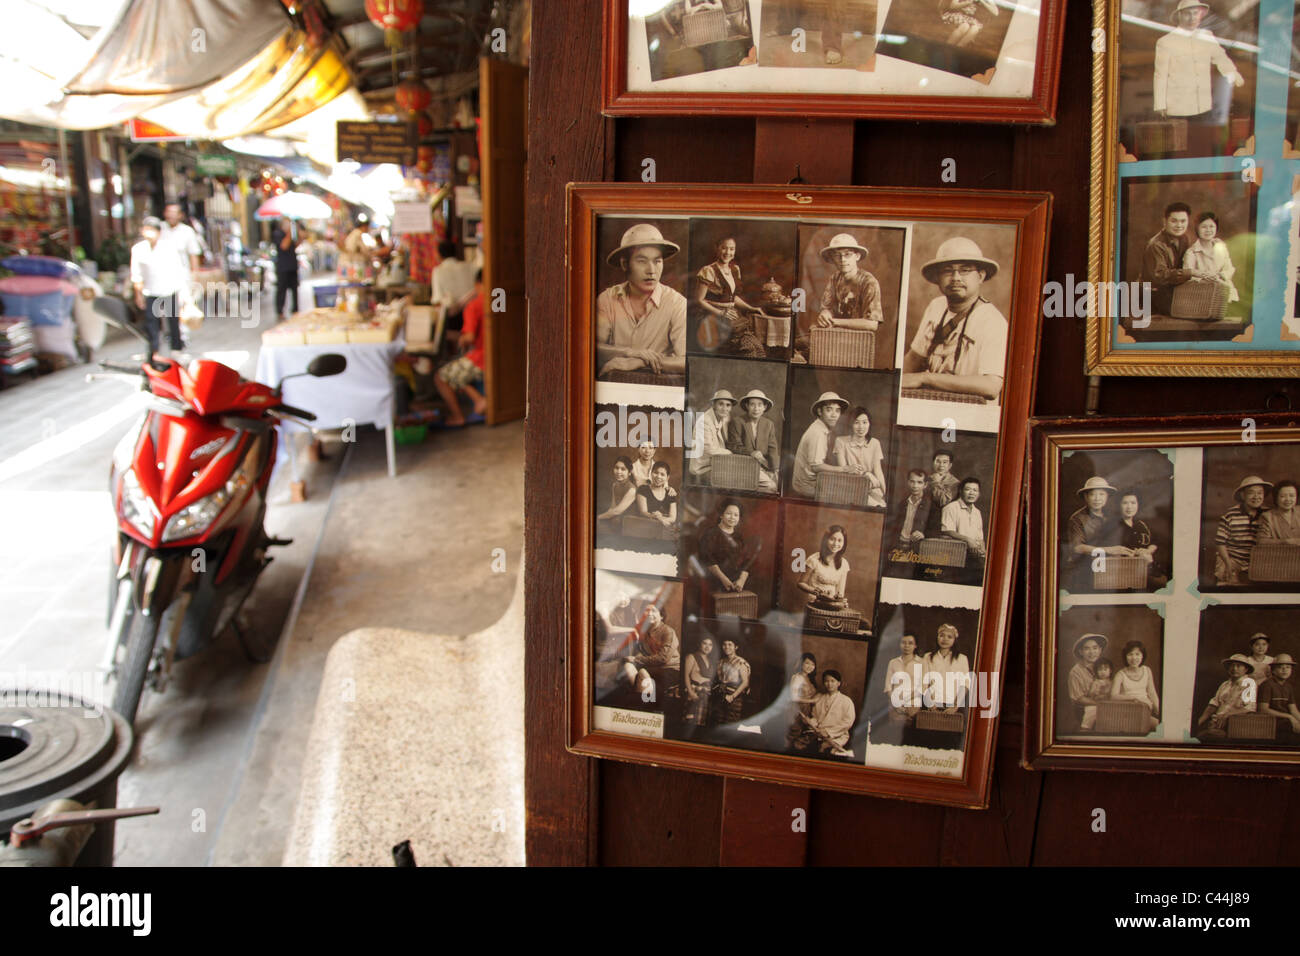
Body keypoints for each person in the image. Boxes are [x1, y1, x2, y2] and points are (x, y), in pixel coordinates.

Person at [901, 237, 1007, 403]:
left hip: (971, 414)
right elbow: (915, 357)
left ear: (980, 276)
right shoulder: (936, 306)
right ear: (937, 278)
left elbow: (991, 386)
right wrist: (893, 383)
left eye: (965, 270)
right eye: (948, 271)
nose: (956, 277)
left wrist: (925, 378)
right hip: (928, 401)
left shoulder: (992, 321)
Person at [595, 223, 687, 378]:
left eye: (657, 261)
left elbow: (688, 362)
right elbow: (592, 349)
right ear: (625, 264)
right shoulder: (607, 299)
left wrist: (641, 361)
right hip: (615, 386)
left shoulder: (677, 303)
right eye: (642, 261)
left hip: (659, 388)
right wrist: (630, 353)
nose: (651, 270)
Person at [793, 233, 882, 364]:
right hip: (834, 338)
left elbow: (872, 324)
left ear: (857, 256)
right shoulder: (835, 279)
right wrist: (825, 314)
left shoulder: (869, 282)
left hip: (856, 342)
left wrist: (834, 322)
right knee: (795, 345)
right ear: (832, 258)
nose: (842, 259)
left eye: (847, 254)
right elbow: (827, 308)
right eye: (837, 255)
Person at [1153, 0, 1245, 120]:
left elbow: (1219, 57)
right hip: (1178, 107)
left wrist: (1232, 74)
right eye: (1187, 14)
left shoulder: (1206, 36)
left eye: (1195, 13)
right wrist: (1160, 104)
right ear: (1180, 15)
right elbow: (1161, 75)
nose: (1192, 18)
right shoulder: (1166, 42)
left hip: (1204, 106)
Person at [694, 236, 763, 357]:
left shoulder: (735, 270)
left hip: (731, 314)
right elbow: (699, 300)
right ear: (717, 249)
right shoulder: (708, 271)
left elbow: (733, 298)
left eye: (732, 249)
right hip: (712, 315)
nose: (728, 252)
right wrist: (721, 313)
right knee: (748, 350)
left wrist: (751, 308)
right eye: (724, 248)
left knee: (758, 348)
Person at [434, 268, 487, 426]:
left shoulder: (474, 305)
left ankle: (458, 416)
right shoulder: (504, 301)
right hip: (503, 355)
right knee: (457, 371)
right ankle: (479, 400)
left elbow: (469, 338)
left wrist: (460, 339)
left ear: (477, 284)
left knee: (441, 377)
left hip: (482, 358)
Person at [129, 216, 186, 356]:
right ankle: (153, 350)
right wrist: (138, 294)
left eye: (152, 230)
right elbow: (136, 274)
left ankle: (176, 348)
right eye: (146, 229)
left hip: (169, 289)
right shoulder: (138, 249)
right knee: (151, 323)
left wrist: (183, 294)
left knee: (173, 321)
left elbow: (178, 270)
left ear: (158, 232)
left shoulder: (168, 247)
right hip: (151, 291)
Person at [697, 499, 763, 597]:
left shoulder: (739, 537)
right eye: (729, 513)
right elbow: (708, 560)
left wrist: (741, 580)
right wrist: (724, 580)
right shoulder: (710, 534)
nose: (732, 518)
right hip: (714, 584)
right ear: (721, 515)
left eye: (736, 515)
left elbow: (747, 561)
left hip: (737, 585)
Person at [791, 391, 850, 498]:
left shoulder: (821, 428)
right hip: (806, 486)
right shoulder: (817, 433)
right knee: (847, 495)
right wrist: (844, 469)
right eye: (829, 410)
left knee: (848, 487)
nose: (834, 415)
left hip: (814, 481)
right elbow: (816, 467)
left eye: (837, 410)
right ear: (819, 411)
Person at [1215, 475, 1272, 585]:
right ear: (1243, 495)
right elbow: (1220, 542)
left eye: (1260, 493)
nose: (1256, 496)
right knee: (1229, 588)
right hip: (1231, 559)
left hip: (1259, 561)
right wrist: (1228, 563)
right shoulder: (1230, 515)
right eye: (1251, 493)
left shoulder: (1268, 514)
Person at [1141, 202, 1193, 317]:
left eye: (1183, 221)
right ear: (1165, 221)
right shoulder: (1156, 244)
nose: (1179, 225)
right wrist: (1190, 273)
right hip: (1152, 300)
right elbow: (1160, 276)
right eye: (1174, 221)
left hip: (1174, 297)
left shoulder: (1184, 239)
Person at [619, 603, 680, 699]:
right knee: (628, 667)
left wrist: (636, 659)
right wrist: (631, 660)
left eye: (654, 611)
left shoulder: (668, 632)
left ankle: (642, 700)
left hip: (671, 669)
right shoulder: (646, 632)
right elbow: (642, 652)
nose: (649, 614)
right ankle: (640, 697)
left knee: (642, 675)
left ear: (661, 616)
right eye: (646, 611)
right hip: (653, 667)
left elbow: (663, 658)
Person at [726, 389, 779, 492]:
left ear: (765, 407)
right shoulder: (737, 422)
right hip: (744, 466)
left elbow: (773, 449)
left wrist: (775, 468)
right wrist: (752, 453)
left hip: (764, 465)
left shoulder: (768, 424)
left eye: (760, 405)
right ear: (747, 406)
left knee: (779, 484)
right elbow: (733, 446)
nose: (756, 409)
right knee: (771, 487)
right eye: (752, 405)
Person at [791, 670, 855, 755]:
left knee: (823, 749)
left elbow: (848, 722)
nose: (829, 684)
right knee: (797, 745)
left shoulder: (846, 701)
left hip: (837, 735)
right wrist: (810, 721)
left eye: (832, 681)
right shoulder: (819, 698)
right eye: (826, 681)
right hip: (817, 733)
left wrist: (828, 732)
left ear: (838, 683)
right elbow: (816, 718)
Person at [832, 405, 886, 507]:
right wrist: (866, 474)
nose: (861, 427)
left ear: (869, 424)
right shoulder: (840, 441)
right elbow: (844, 470)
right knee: (874, 506)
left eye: (865, 422)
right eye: (856, 422)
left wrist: (883, 492)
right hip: (849, 489)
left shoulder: (875, 443)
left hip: (870, 488)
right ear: (850, 424)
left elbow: (878, 472)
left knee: (882, 506)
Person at [1182, 211, 1239, 304]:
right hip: (1201, 295)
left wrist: (1220, 276)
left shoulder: (1221, 246)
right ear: (1197, 229)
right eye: (1204, 227)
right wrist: (1205, 278)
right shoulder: (1191, 252)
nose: (1208, 230)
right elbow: (1188, 275)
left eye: (1211, 226)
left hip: (1223, 291)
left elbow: (1229, 268)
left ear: (1216, 228)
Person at [1197, 653, 1257, 737]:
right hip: (1216, 722)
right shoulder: (1225, 684)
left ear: (1246, 669)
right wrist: (1199, 722)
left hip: (1236, 724)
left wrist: (1227, 715)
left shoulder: (1249, 684)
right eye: (1231, 666)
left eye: (1238, 666)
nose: (1234, 669)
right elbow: (1213, 705)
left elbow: (1248, 708)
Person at [889, 469, 938, 566]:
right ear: (908, 482)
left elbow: (937, 529)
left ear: (925, 485)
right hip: (899, 547)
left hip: (917, 550)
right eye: (912, 481)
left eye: (919, 482)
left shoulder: (932, 506)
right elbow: (893, 529)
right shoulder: (902, 504)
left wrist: (924, 534)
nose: (915, 486)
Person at [1110, 640, 1161, 732]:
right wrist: (1136, 698)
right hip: (1128, 713)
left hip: (1145, 711)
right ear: (1125, 657)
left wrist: (1159, 709)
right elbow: (1113, 696)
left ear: (1142, 656)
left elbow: (1152, 692)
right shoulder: (1120, 674)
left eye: (1137, 654)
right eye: (1130, 654)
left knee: (1161, 727)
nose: (1134, 658)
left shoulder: (1147, 670)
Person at [798, 524, 850, 608]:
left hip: (832, 604)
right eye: (832, 539)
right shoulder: (814, 559)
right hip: (815, 603)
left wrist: (841, 601)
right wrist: (817, 592)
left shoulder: (844, 564)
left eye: (840, 540)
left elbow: (840, 593)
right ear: (826, 540)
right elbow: (801, 583)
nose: (836, 543)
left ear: (844, 543)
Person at [921, 623, 970, 713]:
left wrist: (955, 706)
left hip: (953, 707)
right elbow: (923, 683)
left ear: (954, 640)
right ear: (937, 637)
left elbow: (965, 684)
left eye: (949, 637)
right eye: (942, 635)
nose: (945, 639)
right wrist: (930, 704)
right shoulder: (928, 657)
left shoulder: (962, 658)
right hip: (932, 705)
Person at [431, 239, 478, 332]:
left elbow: (437, 299)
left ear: (439, 254)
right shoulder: (470, 266)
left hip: (452, 320)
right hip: (474, 314)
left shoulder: (438, 271)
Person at [940, 477, 987, 569]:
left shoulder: (977, 512)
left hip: (974, 556)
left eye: (975, 490)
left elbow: (980, 538)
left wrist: (983, 552)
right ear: (961, 491)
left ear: (979, 494)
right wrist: (968, 540)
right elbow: (947, 531)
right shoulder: (950, 508)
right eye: (968, 489)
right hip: (955, 555)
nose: (971, 493)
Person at [689, 389, 735, 481]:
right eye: (721, 404)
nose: (724, 408)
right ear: (714, 405)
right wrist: (729, 453)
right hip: (702, 469)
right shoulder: (705, 421)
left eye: (728, 405)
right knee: (732, 480)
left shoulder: (720, 419)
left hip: (714, 465)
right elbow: (710, 449)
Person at [1068, 634, 1108, 731]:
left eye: (1095, 648)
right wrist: (1100, 704)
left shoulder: (1103, 667)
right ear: (1081, 652)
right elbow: (1078, 698)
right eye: (1087, 649)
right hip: (1083, 711)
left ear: (1100, 650)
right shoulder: (1075, 672)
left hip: (1105, 707)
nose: (1092, 652)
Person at [1256, 652, 1300, 735]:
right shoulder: (1267, 685)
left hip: (1285, 721)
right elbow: (1262, 709)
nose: (1285, 670)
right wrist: (1289, 716)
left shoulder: (1288, 686)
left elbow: (1293, 710)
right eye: (1280, 667)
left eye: (1288, 667)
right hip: (1270, 722)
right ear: (1273, 670)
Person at [886, 633, 924, 725]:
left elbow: (923, 687)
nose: (906, 646)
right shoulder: (893, 662)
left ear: (915, 645)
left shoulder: (922, 662)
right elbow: (888, 687)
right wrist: (896, 704)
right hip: (895, 705)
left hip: (913, 705)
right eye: (903, 642)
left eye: (910, 643)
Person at [710, 637, 751, 725]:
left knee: (731, 723)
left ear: (736, 647)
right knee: (718, 722)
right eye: (724, 644)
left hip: (734, 697)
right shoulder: (720, 662)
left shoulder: (741, 662)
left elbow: (745, 682)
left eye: (730, 644)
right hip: (720, 696)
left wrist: (732, 696)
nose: (727, 647)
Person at [636, 461, 679, 538]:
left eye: (662, 474)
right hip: (644, 530)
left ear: (667, 477)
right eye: (656, 472)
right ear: (651, 473)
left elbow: (673, 518)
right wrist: (656, 517)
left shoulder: (670, 494)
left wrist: (660, 518)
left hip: (663, 532)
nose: (658, 476)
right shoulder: (643, 489)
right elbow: (643, 512)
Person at [596, 456, 638, 531]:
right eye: (616, 468)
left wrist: (598, 517)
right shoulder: (614, 485)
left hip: (629, 525)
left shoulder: (632, 489)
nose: (619, 472)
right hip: (616, 521)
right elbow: (612, 507)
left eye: (623, 469)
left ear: (629, 472)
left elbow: (617, 511)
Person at [786, 652, 819, 744]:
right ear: (801, 663)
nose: (810, 666)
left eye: (813, 664)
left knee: (800, 737)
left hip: (806, 711)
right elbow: (793, 697)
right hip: (796, 710)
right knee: (792, 735)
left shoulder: (809, 678)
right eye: (807, 663)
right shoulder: (797, 677)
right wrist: (811, 700)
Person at [683, 636, 716, 726]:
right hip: (694, 692)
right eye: (704, 643)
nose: (707, 647)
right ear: (699, 644)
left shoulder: (710, 661)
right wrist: (690, 692)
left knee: (702, 722)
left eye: (710, 645)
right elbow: (685, 675)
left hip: (706, 694)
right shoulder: (692, 656)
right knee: (691, 722)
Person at [271, 216, 300, 319]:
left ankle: (295, 309)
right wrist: (289, 233)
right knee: (281, 289)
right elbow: (284, 246)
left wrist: (297, 234)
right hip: (283, 266)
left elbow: (296, 245)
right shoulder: (278, 233)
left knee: (295, 289)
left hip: (292, 265)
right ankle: (280, 311)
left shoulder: (293, 234)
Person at [1078, 659, 1116, 730]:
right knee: (1091, 710)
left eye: (1105, 669)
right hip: (1096, 703)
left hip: (1110, 704)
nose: (1103, 672)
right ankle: (1085, 728)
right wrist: (1097, 690)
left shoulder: (1113, 682)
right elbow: (1091, 695)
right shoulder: (1096, 682)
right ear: (1096, 672)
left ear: (1110, 671)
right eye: (1100, 670)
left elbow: (1114, 694)